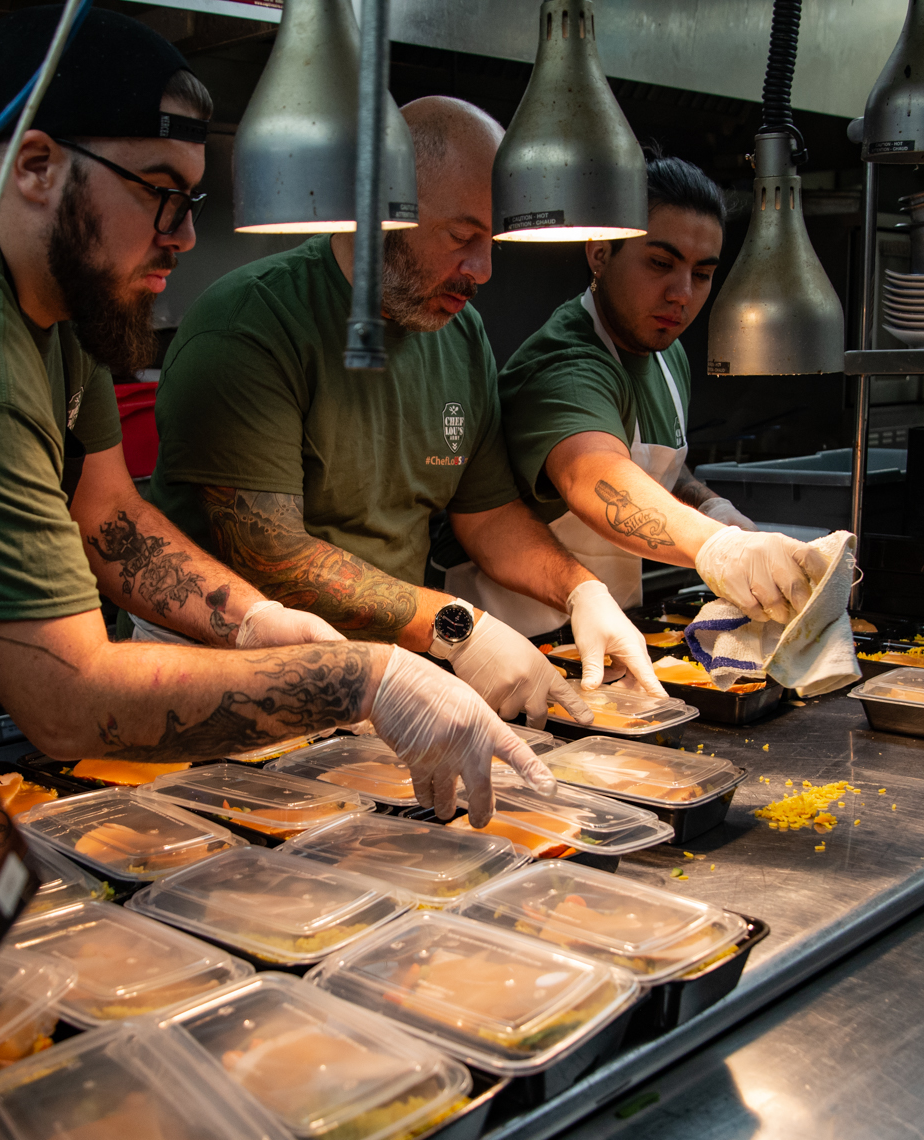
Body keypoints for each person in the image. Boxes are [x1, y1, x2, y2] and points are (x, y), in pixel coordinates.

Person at [0, 9, 551, 1031]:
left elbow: (106, 510)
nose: (187, 237)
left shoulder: (49, 285)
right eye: (160, 195)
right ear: (36, 165)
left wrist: (250, 621)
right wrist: (363, 675)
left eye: (193, 199)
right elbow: (67, 700)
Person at [147, 96, 663, 714]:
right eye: (463, 237)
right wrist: (457, 625)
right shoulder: (250, 325)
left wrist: (582, 591)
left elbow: (490, 515)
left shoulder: (459, 335)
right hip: (224, 680)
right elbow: (271, 556)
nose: (484, 270)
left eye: (491, 240)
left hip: (386, 677)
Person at [496, 154, 830, 628]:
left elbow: (655, 468)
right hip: (519, 630)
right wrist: (719, 547)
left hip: (612, 624)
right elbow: (593, 474)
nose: (682, 294)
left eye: (701, 274)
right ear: (599, 251)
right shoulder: (567, 364)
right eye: (660, 263)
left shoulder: (665, 352)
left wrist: (713, 507)